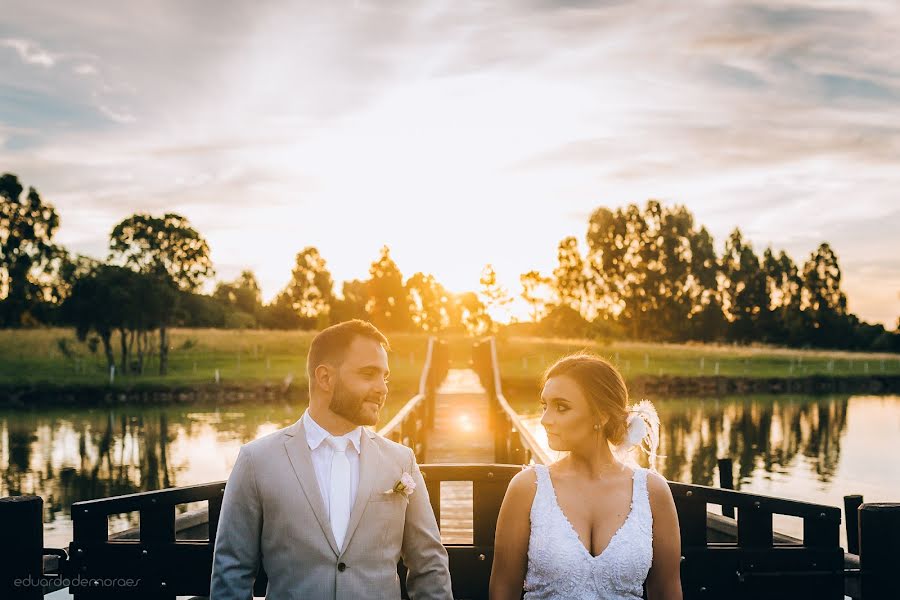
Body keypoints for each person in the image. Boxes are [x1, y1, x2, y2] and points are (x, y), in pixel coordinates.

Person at [211, 319, 452, 599]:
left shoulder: (401, 461)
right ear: (325, 378)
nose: (383, 388)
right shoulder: (257, 461)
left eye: (384, 377)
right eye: (368, 374)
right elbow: (232, 572)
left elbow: (429, 565)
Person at [489, 353, 682, 600]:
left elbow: (667, 591)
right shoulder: (528, 488)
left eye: (562, 407)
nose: (545, 419)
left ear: (601, 415)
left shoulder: (652, 490)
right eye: (544, 406)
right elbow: (502, 591)